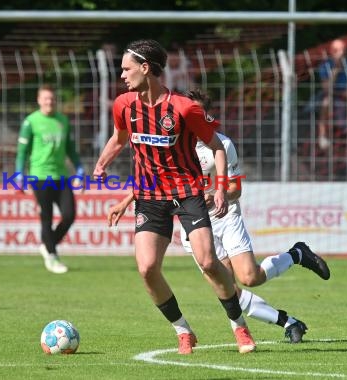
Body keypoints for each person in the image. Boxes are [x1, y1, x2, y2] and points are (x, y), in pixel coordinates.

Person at [108, 88, 331, 345]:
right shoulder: (172, 144)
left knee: (250, 277)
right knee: (229, 289)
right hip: (194, 222)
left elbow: (236, 189)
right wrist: (127, 200)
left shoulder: (221, 145)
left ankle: (297, 254)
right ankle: (288, 322)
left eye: (197, 114)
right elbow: (157, 183)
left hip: (224, 218)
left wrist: (215, 194)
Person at [93, 39, 257, 355]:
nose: (122, 75)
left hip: (187, 192)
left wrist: (220, 186)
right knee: (147, 268)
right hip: (150, 196)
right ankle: (183, 330)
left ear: (145, 68)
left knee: (209, 262)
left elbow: (217, 147)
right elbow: (118, 139)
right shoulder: (124, 105)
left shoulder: (184, 108)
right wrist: (101, 165)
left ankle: (239, 326)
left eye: (127, 68)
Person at [15, 84, 84, 274]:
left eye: (52, 98)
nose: (49, 102)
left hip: (61, 176)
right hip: (40, 176)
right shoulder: (31, 122)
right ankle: (52, 256)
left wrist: (79, 169)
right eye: (46, 98)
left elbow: (70, 148)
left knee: (69, 215)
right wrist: (19, 174)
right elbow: (22, 151)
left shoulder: (62, 120)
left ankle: (48, 244)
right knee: (46, 217)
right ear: (39, 100)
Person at [317, 38, 347, 152]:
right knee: (326, 102)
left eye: (342, 50)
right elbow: (326, 89)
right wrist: (336, 70)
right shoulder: (325, 66)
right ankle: (323, 135)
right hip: (332, 95)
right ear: (331, 51)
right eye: (337, 50)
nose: (340, 53)